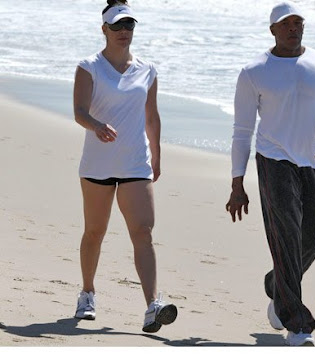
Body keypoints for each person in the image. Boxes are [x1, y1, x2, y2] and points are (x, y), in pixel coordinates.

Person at [226, 1, 315, 346]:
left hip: (313, 161)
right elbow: (241, 130)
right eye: (286, 23)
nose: (294, 28)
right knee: (285, 236)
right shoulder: (255, 71)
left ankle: (276, 286)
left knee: (310, 235)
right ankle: (298, 325)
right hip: (273, 161)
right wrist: (237, 183)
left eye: (298, 22)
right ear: (273, 30)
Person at [73, 0, 177, 333]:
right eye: (117, 26)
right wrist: (96, 125)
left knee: (143, 232)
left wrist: (157, 154)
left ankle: (152, 306)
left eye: (129, 26)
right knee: (95, 232)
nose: (123, 32)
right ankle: (87, 293)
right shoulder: (89, 66)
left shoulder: (148, 70)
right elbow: (79, 111)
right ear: (103, 29)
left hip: (136, 161)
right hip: (98, 164)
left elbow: (151, 115)